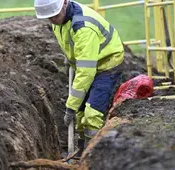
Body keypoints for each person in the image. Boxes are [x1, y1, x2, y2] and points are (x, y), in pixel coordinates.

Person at [34, 0, 124, 149]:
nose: (52, 20)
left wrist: (70, 107)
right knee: (80, 114)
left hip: (107, 64)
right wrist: (70, 56)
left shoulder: (83, 27)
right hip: (88, 62)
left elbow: (86, 72)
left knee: (91, 114)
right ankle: (82, 149)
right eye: (48, 17)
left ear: (64, 3)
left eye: (54, 15)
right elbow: (71, 42)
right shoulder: (58, 19)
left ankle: (92, 152)